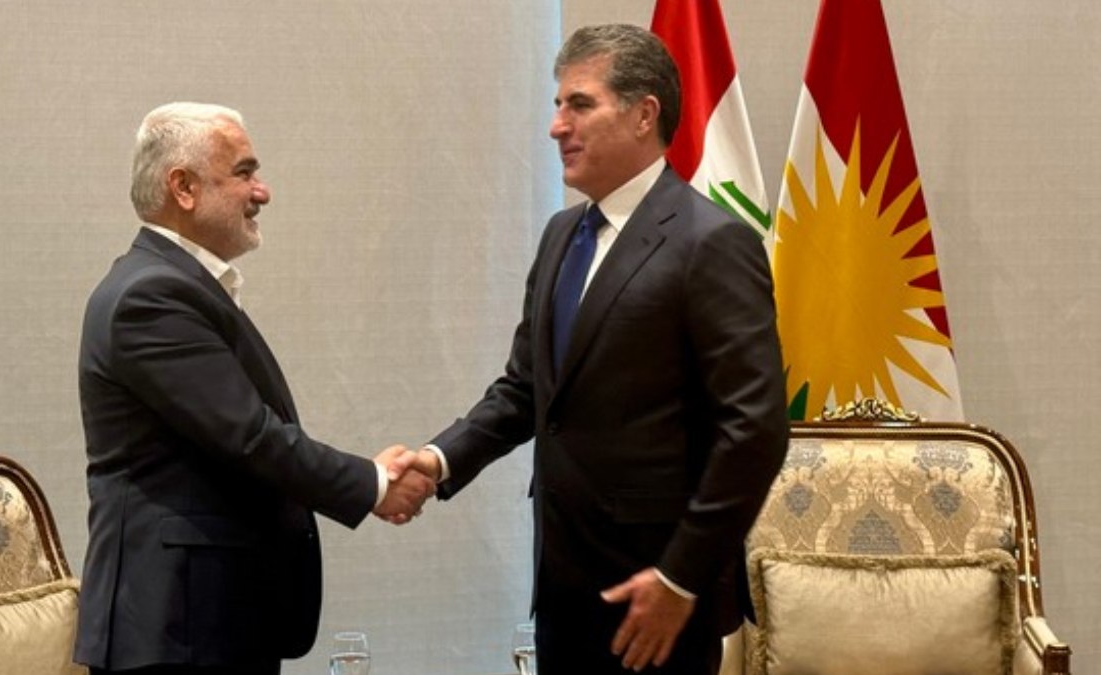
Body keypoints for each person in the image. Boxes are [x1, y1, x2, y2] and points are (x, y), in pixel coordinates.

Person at [403, 25, 789, 674]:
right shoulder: (561, 235)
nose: (557, 126)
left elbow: (755, 428)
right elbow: (527, 388)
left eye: (579, 104)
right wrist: (439, 460)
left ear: (644, 114)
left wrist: (682, 577)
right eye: (558, 105)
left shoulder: (711, 242)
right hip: (563, 588)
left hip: (656, 597)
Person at [74, 102, 433, 675]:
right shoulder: (151, 296)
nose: (262, 191)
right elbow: (250, 436)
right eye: (243, 172)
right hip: (173, 630)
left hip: (205, 621)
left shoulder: (173, 284)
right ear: (183, 187)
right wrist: (372, 483)